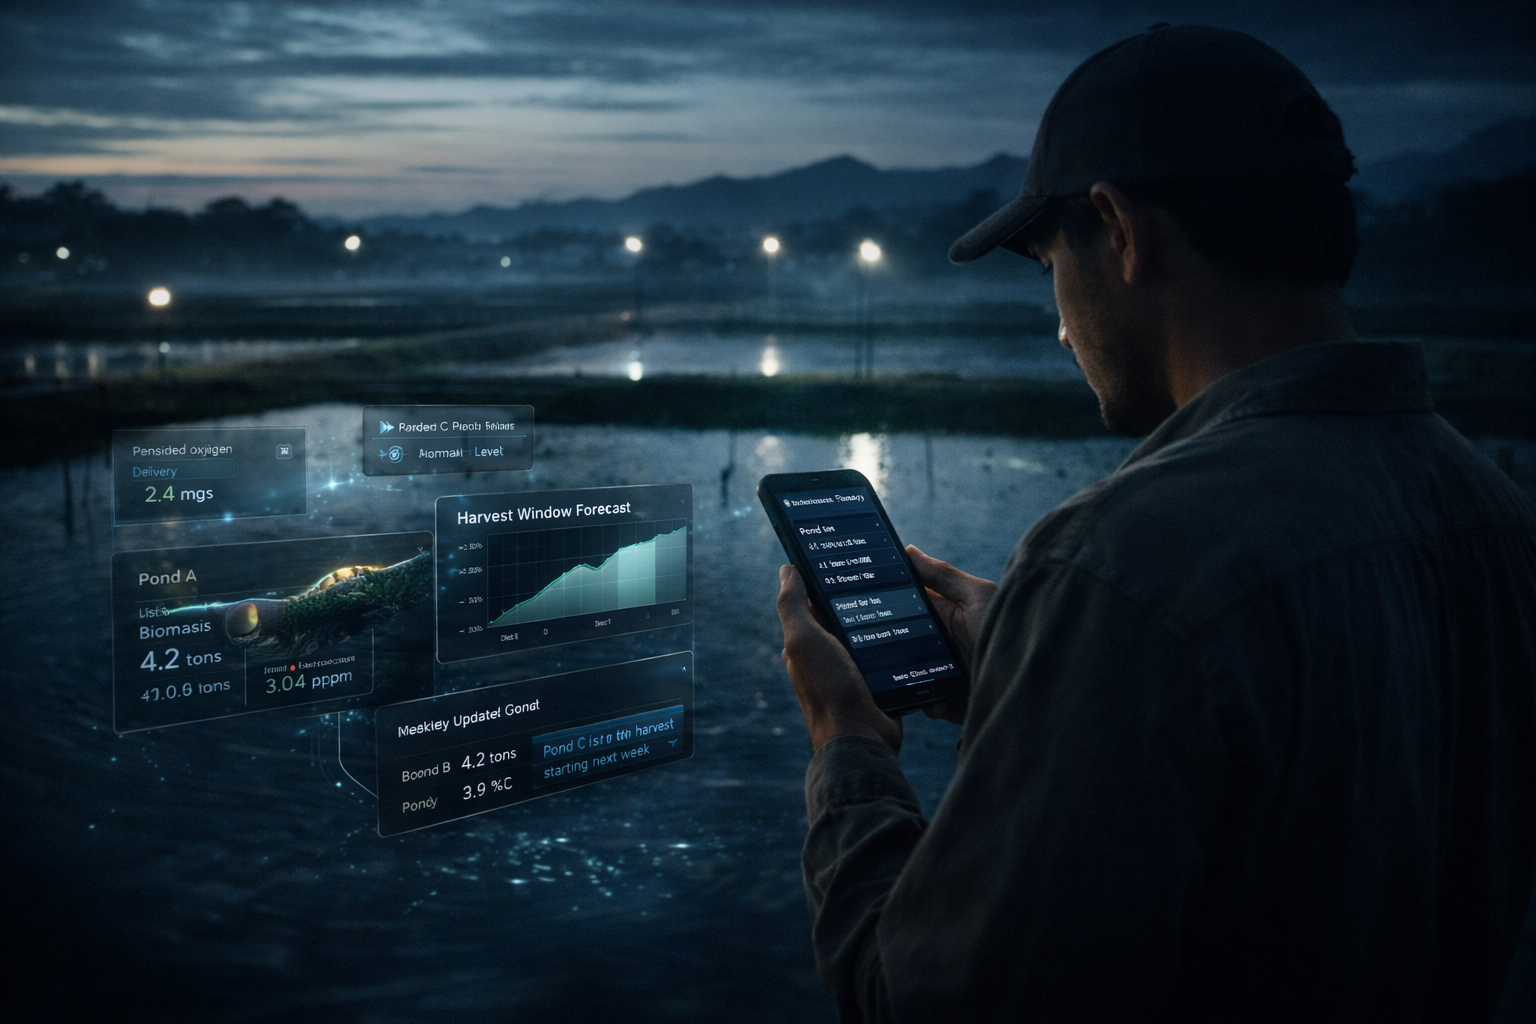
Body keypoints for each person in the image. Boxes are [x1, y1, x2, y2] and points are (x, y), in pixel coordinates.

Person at [774, 24, 1536, 1021]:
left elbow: (923, 1001)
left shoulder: (1119, 564)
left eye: (1050, 265)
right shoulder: (1498, 515)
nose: (1057, 322)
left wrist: (848, 745)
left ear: (1121, 230)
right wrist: (1031, 651)